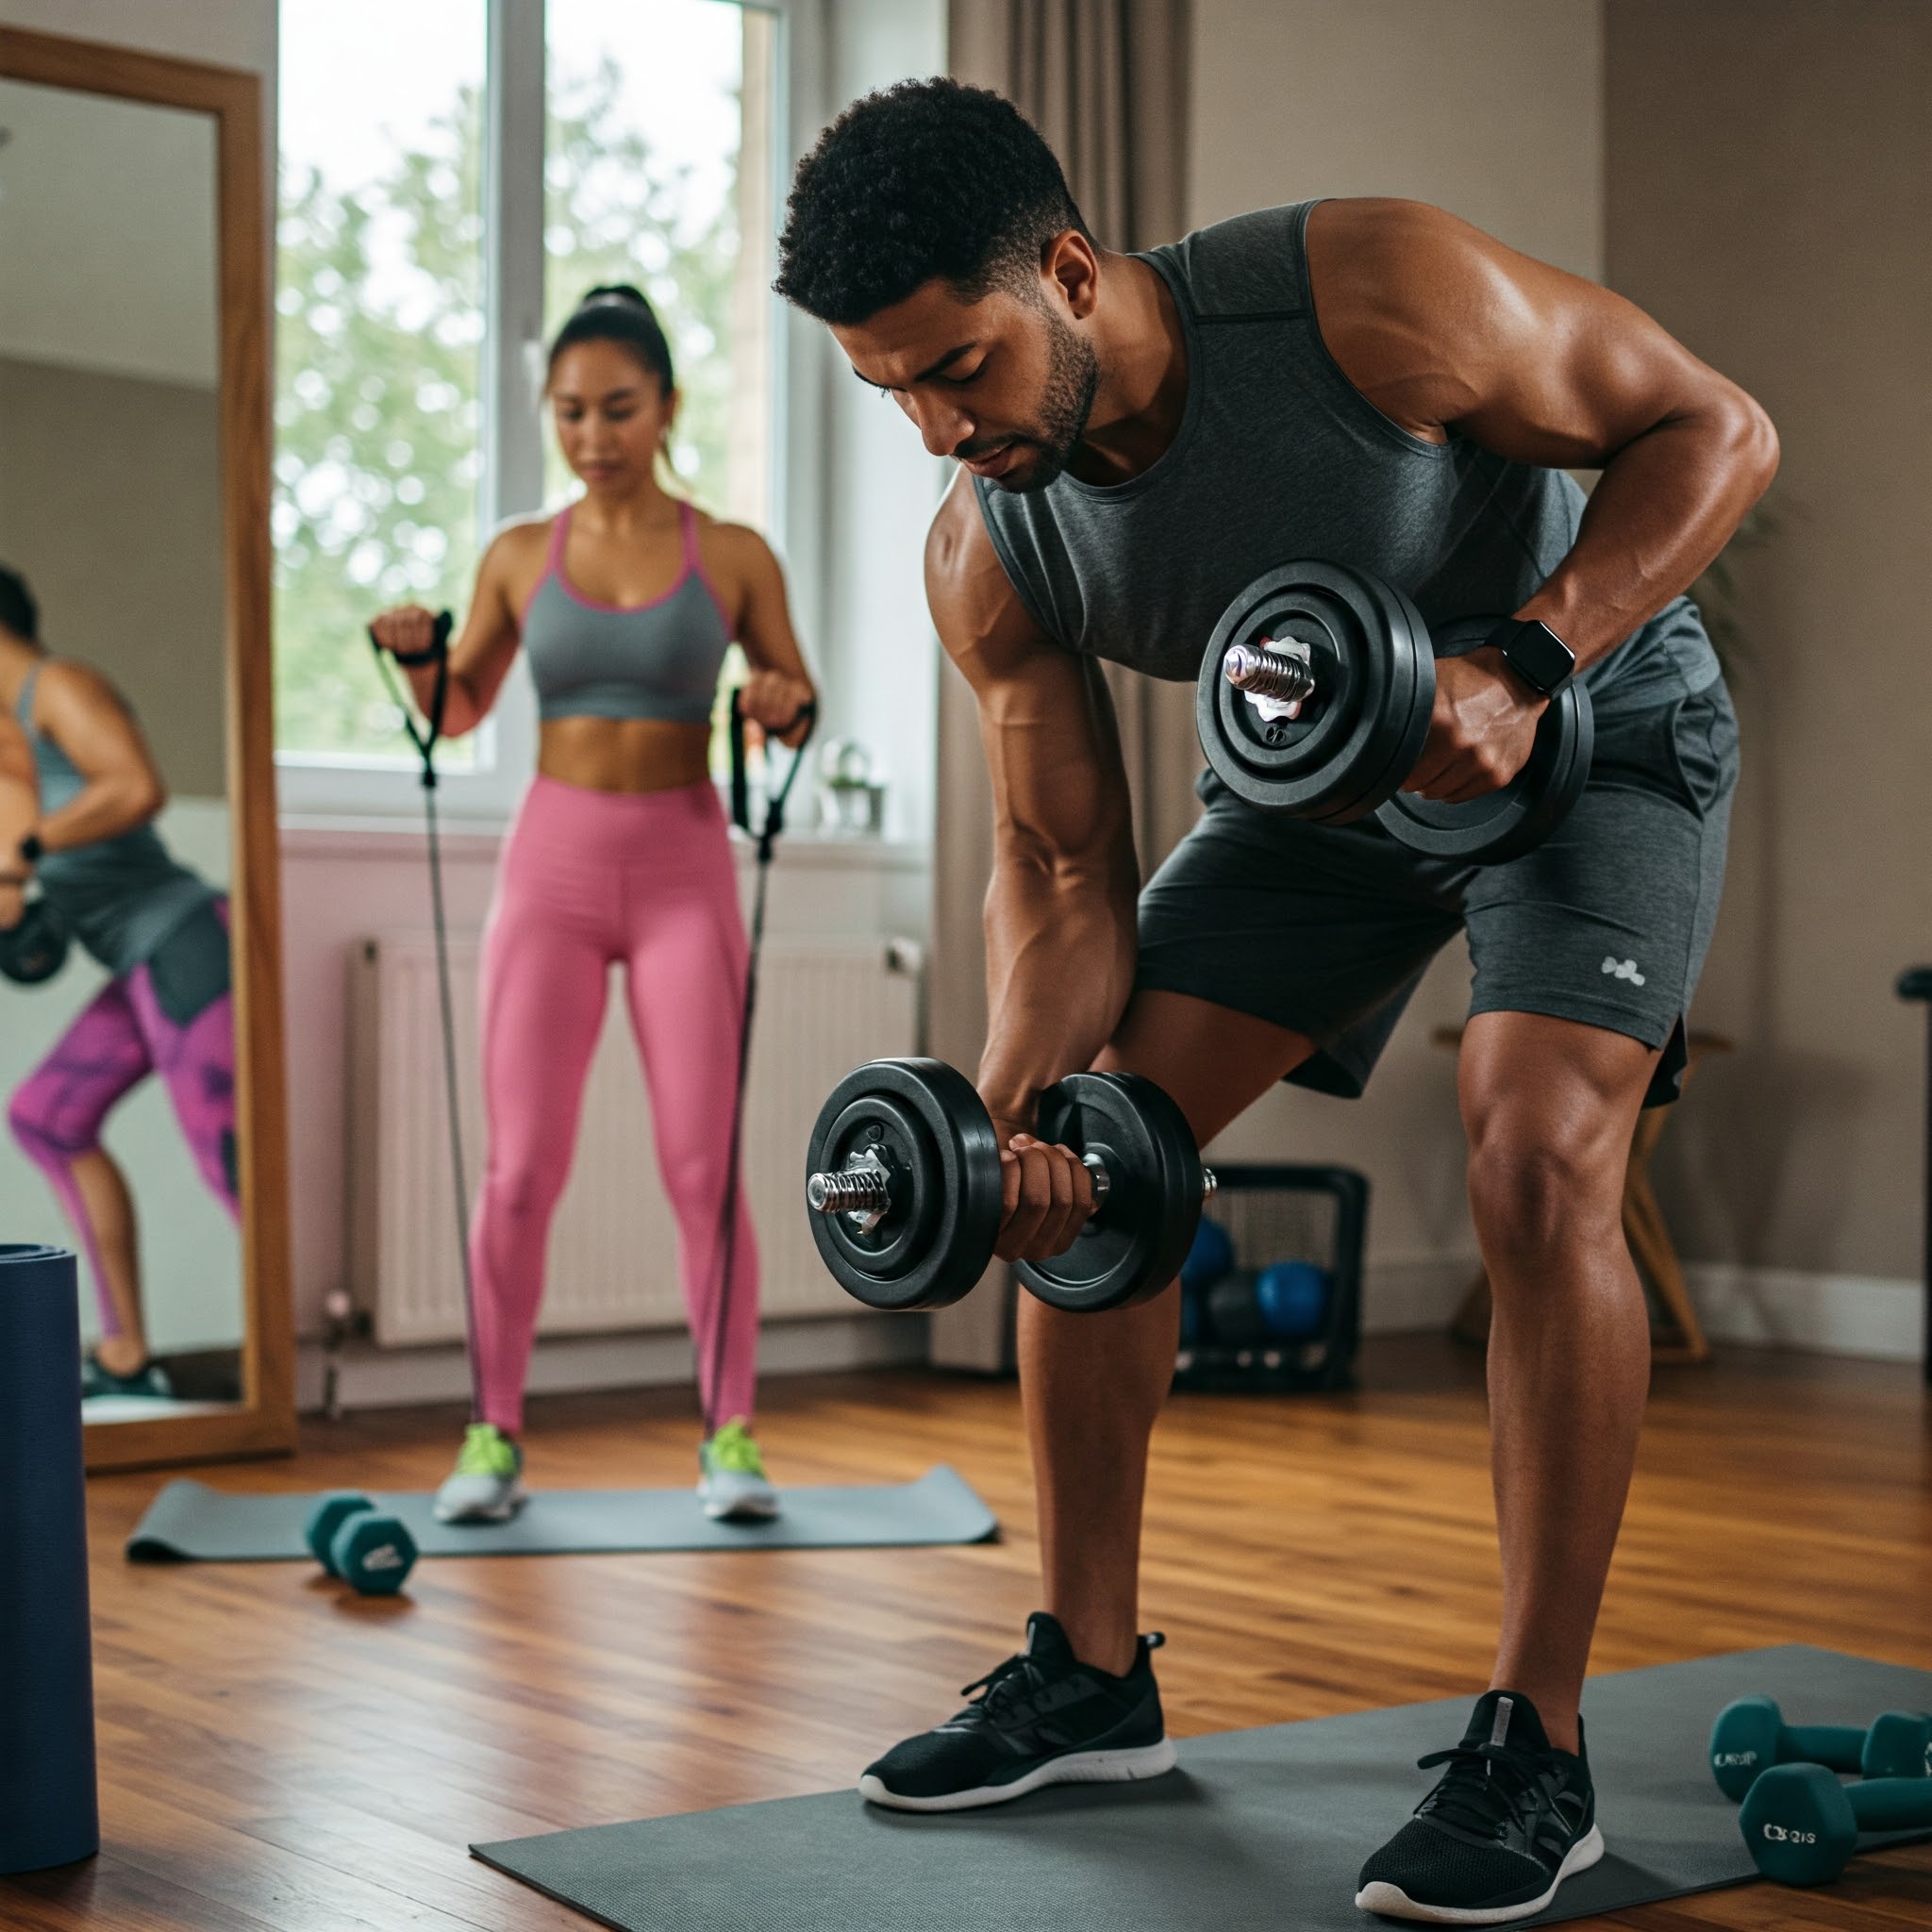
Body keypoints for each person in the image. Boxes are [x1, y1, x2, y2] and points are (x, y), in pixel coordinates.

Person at [774, 81, 1771, 1924]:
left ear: (1071, 272)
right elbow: (1065, 874)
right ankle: (1089, 1669)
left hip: (1588, 737)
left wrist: (1533, 657)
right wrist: (1008, 1126)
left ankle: (1531, 1747)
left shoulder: (1366, 296)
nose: (938, 427)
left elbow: (1714, 427)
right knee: (1103, 1143)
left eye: (963, 366)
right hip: (1319, 802)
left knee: (1536, 1154)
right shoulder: (988, 547)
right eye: (888, 391)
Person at [370, 286, 815, 1527]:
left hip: (684, 868)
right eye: (570, 411)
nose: (594, 433)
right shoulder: (518, 555)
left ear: (666, 407)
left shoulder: (730, 553)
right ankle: (493, 1437)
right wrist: (418, 656)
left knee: (700, 1167)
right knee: (518, 1169)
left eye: (619, 408)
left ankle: (730, 1438)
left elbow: (798, 694)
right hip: (552, 871)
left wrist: (781, 705)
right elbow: (453, 710)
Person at [0, 563, 241, 1401]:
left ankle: (299, 1367)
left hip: (186, 946)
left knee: (238, 1169)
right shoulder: (9, 745)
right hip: (137, 966)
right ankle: (127, 1354)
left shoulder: (56, 687)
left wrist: (26, 850)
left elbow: (137, 787)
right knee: (45, 1118)